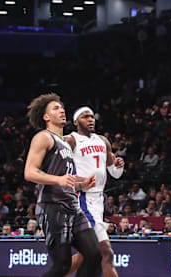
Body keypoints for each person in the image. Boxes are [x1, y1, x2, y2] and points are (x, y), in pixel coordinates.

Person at [23, 93, 102, 277]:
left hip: (72, 207)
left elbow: (66, 179)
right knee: (62, 265)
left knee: (94, 254)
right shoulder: (43, 137)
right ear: (46, 117)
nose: (62, 110)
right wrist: (58, 180)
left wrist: (81, 184)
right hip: (52, 207)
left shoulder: (66, 143)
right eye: (56, 108)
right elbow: (29, 172)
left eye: (62, 107)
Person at [64, 107, 125, 277]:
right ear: (76, 122)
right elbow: (58, 168)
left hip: (98, 200)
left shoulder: (103, 141)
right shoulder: (71, 140)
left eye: (92, 116)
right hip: (82, 199)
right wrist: (77, 181)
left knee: (88, 254)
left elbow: (114, 173)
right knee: (106, 252)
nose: (91, 119)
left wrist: (118, 166)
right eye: (85, 117)